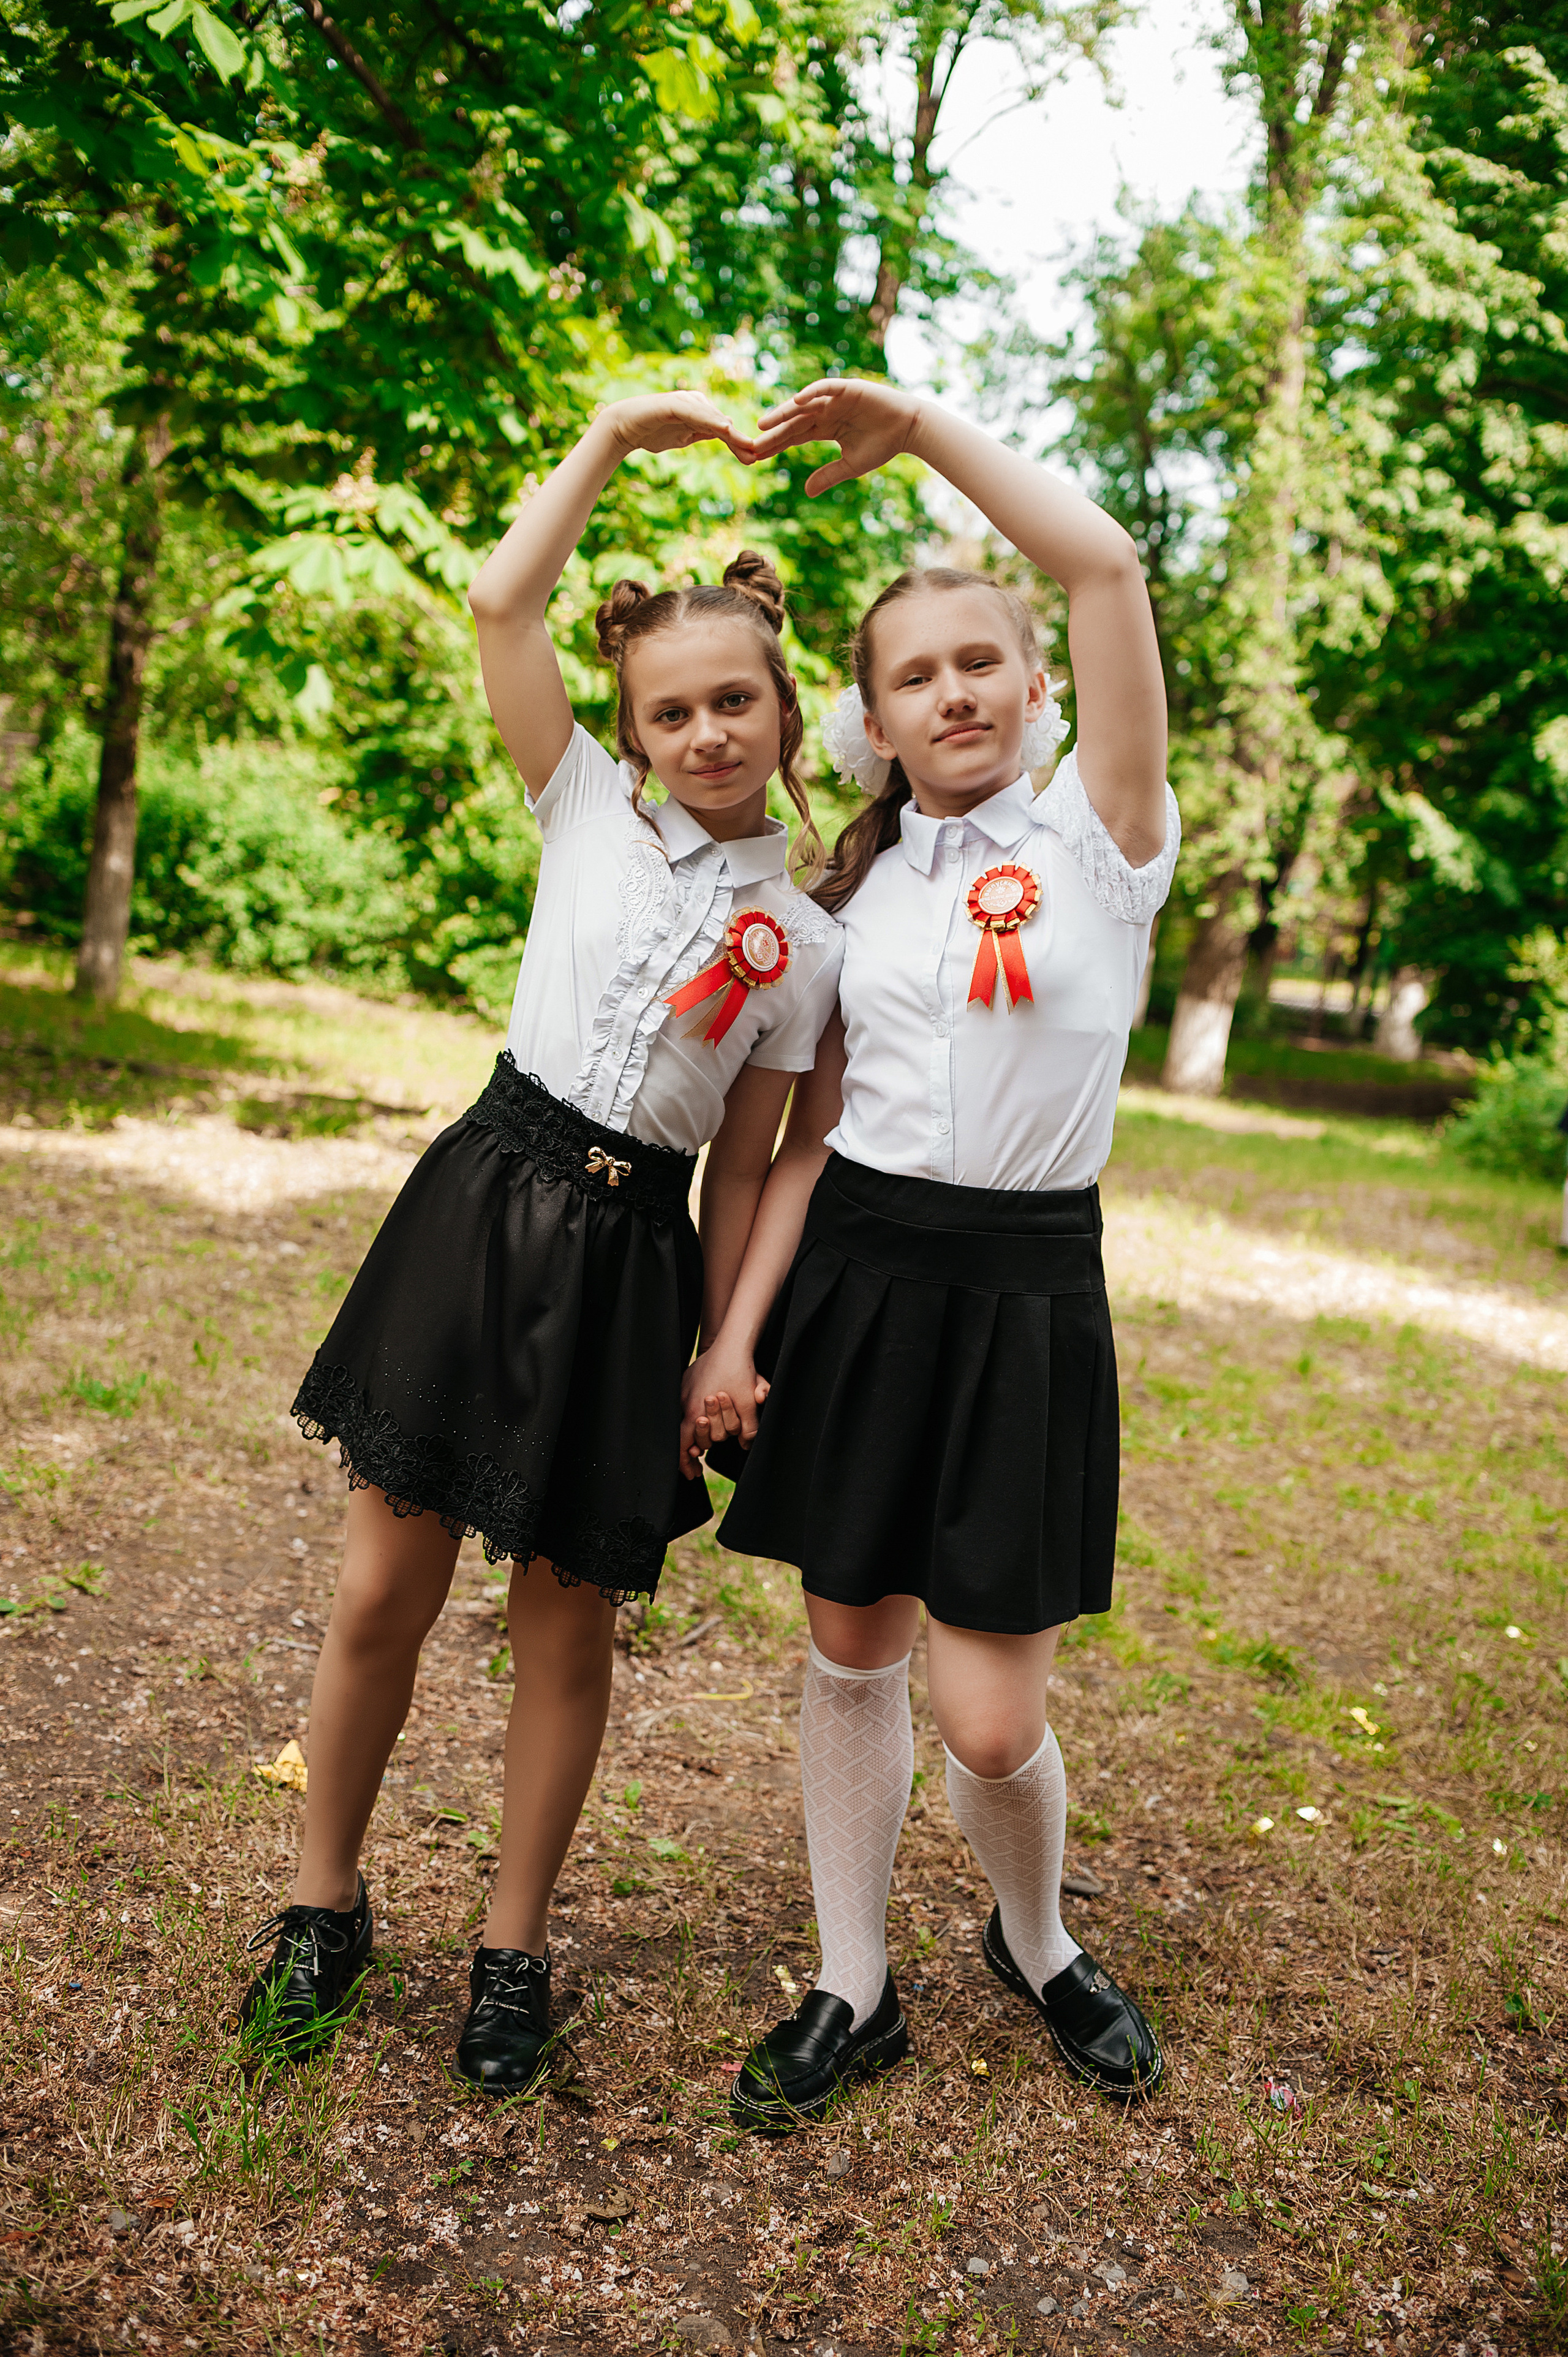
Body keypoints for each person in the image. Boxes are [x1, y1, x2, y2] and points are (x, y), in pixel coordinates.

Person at [241, 391, 843, 2093]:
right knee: (383, 1587)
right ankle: (323, 1905)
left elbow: (744, 1169)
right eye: (673, 710)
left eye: (736, 702)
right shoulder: (580, 803)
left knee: (564, 1627)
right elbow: (504, 605)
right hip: (484, 1201)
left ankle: (513, 1949)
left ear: (783, 711)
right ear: (634, 729)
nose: (706, 731)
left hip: (636, 1257)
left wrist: (722, 1342)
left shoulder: (801, 947)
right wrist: (609, 436)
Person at [680, 378, 1179, 2124]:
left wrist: (927, 434)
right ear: (875, 719)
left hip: (1028, 1292)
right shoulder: (860, 892)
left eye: (983, 661)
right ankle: (850, 1981)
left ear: (1034, 688)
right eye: (917, 675)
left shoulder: (1102, 844)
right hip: (864, 1282)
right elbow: (815, 1145)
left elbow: (1106, 562)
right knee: (849, 1651)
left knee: (986, 1716)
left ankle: (1034, 1937)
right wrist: (735, 1336)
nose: (955, 690)